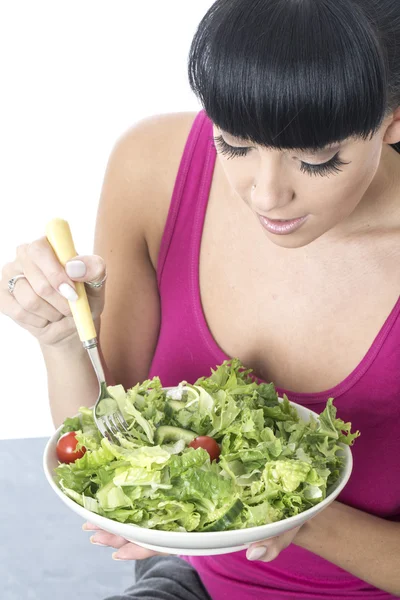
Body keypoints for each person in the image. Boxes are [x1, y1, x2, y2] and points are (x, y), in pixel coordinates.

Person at [1, 0, 400, 598]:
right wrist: (60, 340)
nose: (266, 195)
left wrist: (289, 514)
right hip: (192, 573)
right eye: (235, 145)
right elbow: (107, 438)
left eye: (318, 158)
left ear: (393, 121)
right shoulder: (153, 165)